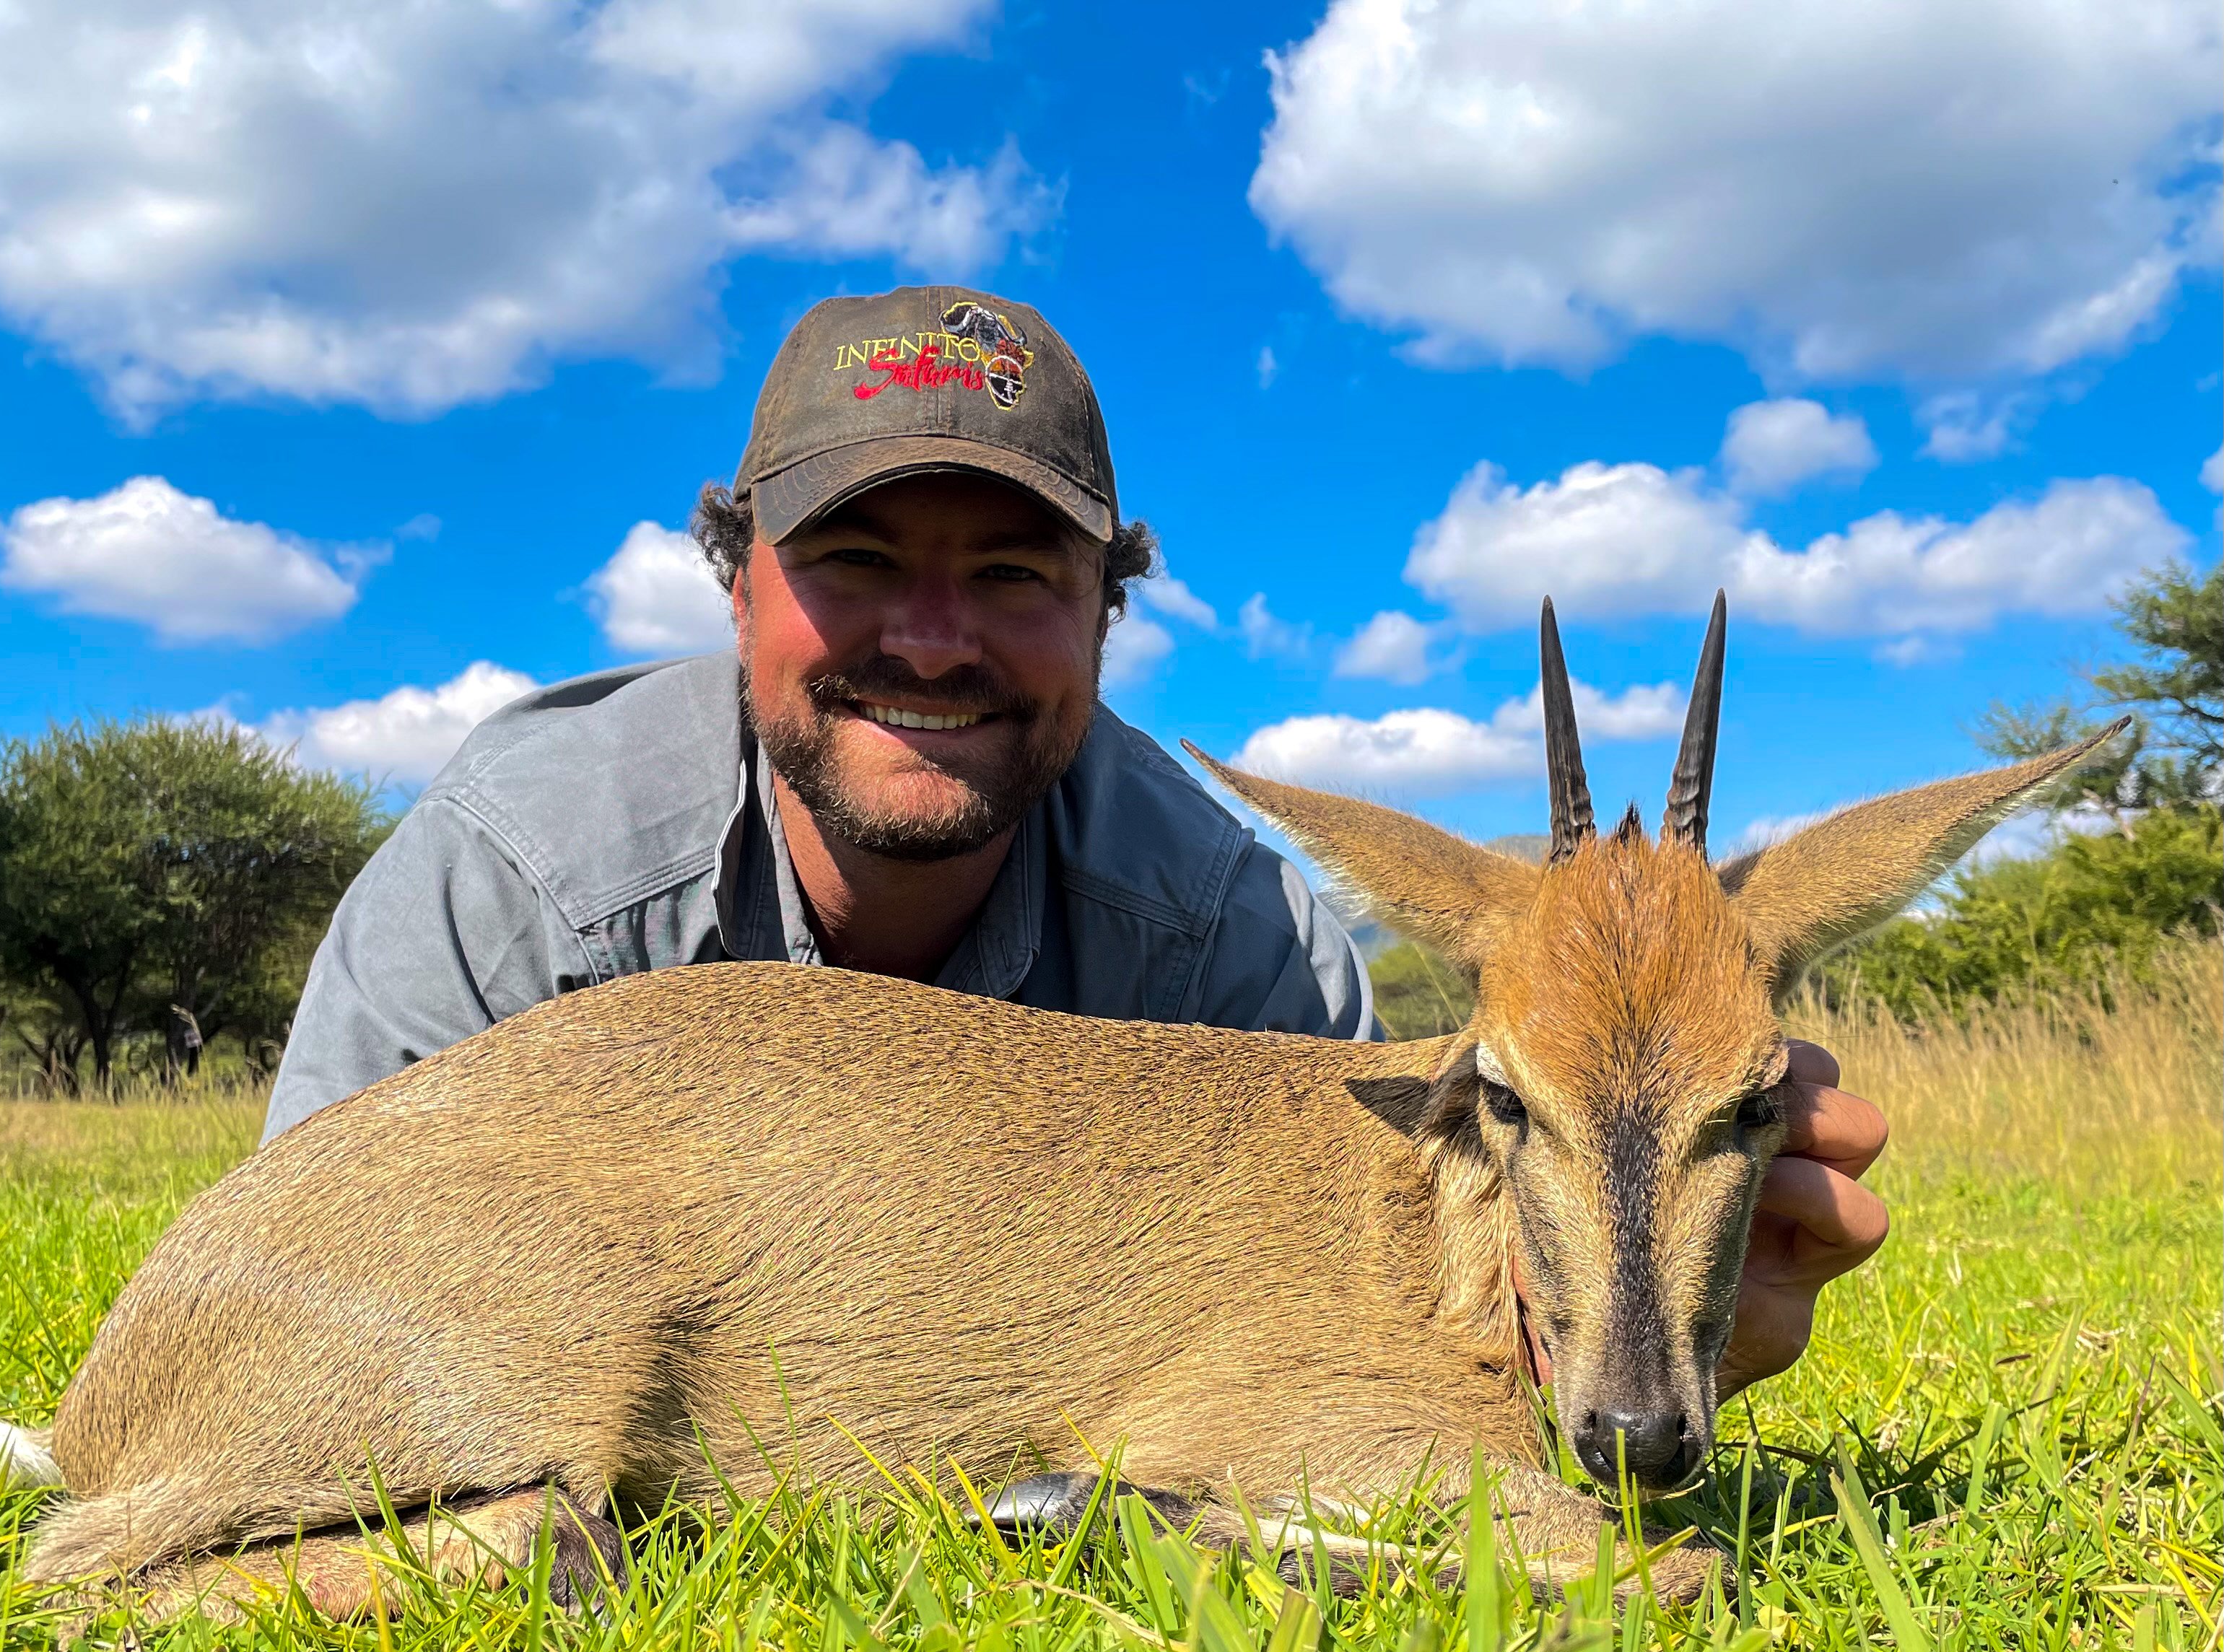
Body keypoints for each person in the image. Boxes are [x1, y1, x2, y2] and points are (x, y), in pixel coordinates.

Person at [266, 283, 1888, 1399]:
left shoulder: (1224, 922)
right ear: (733, 570)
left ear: (1106, 612)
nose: (928, 638)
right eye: (854, 556)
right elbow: (301, 1283)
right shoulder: (520, 867)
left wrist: (1627, 1315)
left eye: (1015, 576)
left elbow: (1375, 1296)